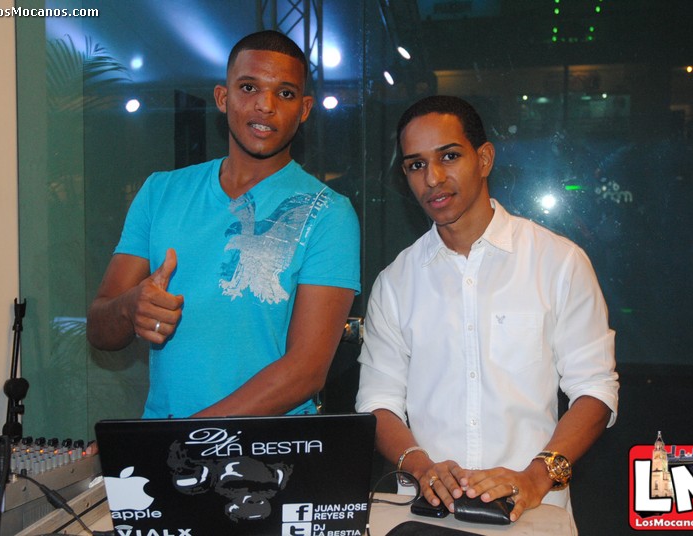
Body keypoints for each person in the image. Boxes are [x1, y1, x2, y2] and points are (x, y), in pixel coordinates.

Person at [355, 95, 619, 523]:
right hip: (423, 515)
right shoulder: (396, 281)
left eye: (449, 156)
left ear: (484, 158)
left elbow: (595, 389)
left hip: (533, 511)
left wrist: (536, 477)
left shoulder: (559, 262)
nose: (433, 178)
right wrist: (423, 470)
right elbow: (377, 401)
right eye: (415, 165)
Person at [86, 30, 360, 419]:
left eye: (284, 93)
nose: (265, 105)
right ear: (222, 97)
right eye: (249, 87)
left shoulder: (330, 213)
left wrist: (189, 436)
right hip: (167, 449)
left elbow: (306, 372)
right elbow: (99, 330)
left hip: (271, 458)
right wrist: (132, 307)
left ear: (304, 108)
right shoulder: (160, 192)